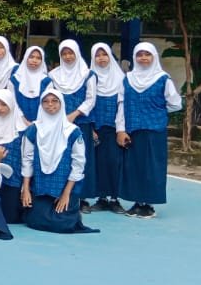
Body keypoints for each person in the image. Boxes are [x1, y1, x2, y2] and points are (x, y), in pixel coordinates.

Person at [116, 42, 182, 219]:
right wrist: (120, 129)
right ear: (135, 58)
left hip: (154, 131)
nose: (143, 58)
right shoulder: (127, 79)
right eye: (139, 55)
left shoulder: (163, 79)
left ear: (154, 57)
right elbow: (121, 105)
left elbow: (176, 104)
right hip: (133, 130)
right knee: (134, 166)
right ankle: (138, 202)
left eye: (147, 54)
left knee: (152, 167)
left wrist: (156, 112)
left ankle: (149, 205)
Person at [20, 89, 98, 234]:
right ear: (41, 105)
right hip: (41, 188)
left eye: (54, 101)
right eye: (46, 101)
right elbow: (27, 160)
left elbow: (78, 164)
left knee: (63, 225)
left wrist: (66, 193)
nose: (50, 105)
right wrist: (25, 189)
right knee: (34, 221)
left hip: (64, 187)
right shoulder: (34, 129)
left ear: (61, 104)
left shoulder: (73, 131)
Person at [50, 39, 98, 213]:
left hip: (81, 123)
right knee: (62, 158)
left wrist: (74, 114)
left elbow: (91, 99)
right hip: (59, 124)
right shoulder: (53, 75)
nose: (68, 56)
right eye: (64, 53)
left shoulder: (88, 75)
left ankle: (82, 198)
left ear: (77, 53)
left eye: (70, 53)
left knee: (82, 159)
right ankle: (62, 194)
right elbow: (51, 97)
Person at [90, 43, 127, 214]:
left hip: (114, 129)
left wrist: (121, 129)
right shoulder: (89, 78)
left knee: (114, 162)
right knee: (98, 163)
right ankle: (101, 198)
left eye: (104, 54)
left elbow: (122, 106)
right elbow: (88, 104)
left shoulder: (120, 79)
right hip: (96, 129)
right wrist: (91, 128)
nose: (101, 58)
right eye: (97, 55)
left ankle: (114, 199)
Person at [0, 88, 27, 224]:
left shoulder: (21, 130)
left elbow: (26, 158)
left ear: (11, 104)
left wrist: (25, 185)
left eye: (4, 104)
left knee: (10, 218)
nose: (0, 108)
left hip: (13, 180)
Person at [11, 45, 51, 123]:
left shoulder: (46, 81)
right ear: (26, 58)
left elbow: (48, 104)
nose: (34, 60)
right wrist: (23, 120)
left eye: (38, 58)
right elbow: (12, 102)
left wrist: (36, 123)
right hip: (17, 121)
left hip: (41, 123)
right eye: (31, 57)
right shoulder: (14, 80)